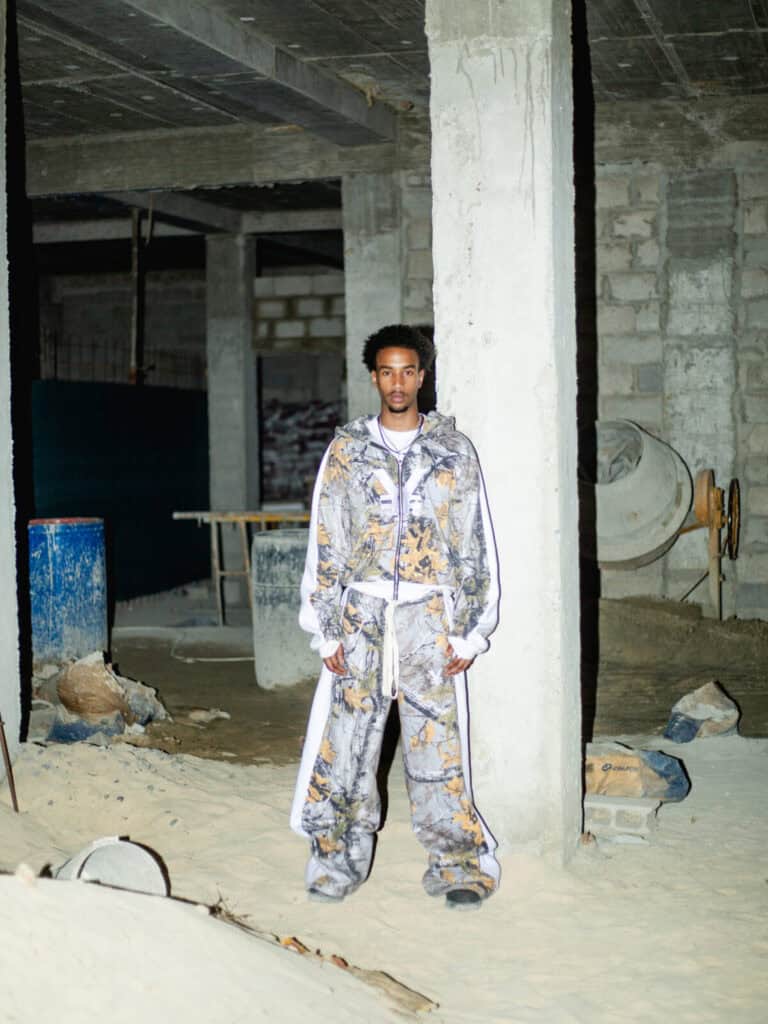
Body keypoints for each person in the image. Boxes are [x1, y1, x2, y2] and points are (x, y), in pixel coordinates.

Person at [290, 324, 500, 910]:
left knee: (436, 745)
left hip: (428, 618)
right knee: (350, 742)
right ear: (374, 377)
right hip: (361, 617)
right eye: (387, 371)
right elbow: (325, 539)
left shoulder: (453, 451)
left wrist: (470, 630)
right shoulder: (348, 451)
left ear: (422, 376)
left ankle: (458, 863)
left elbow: (473, 540)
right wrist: (325, 626)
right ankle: (335, 861)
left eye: (408, 370)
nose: (398, 382)